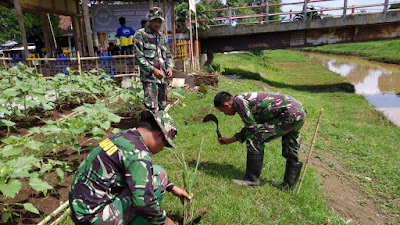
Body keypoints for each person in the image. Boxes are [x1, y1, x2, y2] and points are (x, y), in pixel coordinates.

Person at [69, 110, 191, 225]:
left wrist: (171, 187)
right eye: (163, 145)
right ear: (159, 135)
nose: (161, 149)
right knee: (155, 182)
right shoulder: (138, 153)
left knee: (158, 172)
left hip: (81, 211)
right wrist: (166, 222)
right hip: (93, 218)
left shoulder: (124, 137)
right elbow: (144, 204)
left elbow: (136, 173)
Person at [213, 91, 306, 188]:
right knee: (290, 147)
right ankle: (288, 186)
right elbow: (251, 125)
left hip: (289, 113)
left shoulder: (239, 103)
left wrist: (230, 140)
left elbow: (251, 129)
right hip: (299, 111)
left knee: (254, 139)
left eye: (222, 111)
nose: (224, 114)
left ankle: (251, 180)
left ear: (227, 105)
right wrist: (229, 140)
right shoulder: (241, 99)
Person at [133, 7, 173, 112]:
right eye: (155, 21)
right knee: (151, 107)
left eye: (159, 21)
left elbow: (168, 55)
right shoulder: (141, 35)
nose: (157, 24)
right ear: (149, 20)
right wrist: (153, 70)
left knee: (162, 106)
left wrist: (169, 67)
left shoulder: (162, 37)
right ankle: (151, 127)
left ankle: (160, 128)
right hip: (149, 78)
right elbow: (139, 57)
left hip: (162, 78)